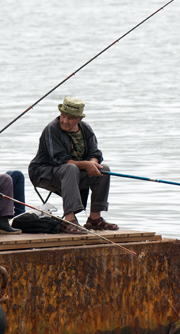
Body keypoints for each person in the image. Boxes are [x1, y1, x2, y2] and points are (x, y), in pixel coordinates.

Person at [28, 96, 118, 234]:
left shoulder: (86, 129)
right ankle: (69, 219)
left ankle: (94, 219)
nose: (64, 121)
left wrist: (93, 164)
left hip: (72, 172)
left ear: (79, 119)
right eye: (62, 116)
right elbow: (59, 160)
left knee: (103, 169)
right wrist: (86, 165)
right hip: (43, 173)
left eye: (69, 118)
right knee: (70, 168)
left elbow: (95, 153)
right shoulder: (52, 129)